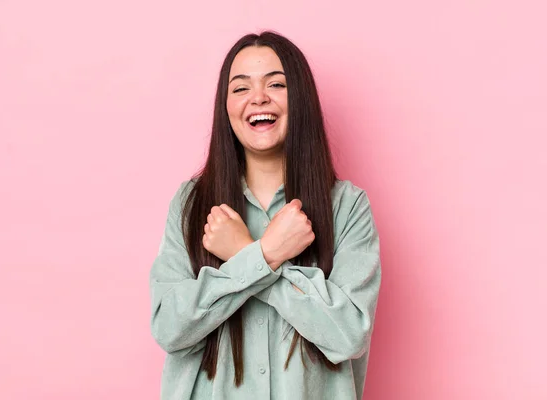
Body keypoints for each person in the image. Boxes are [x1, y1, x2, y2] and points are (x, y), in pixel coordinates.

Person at [150, 30, 381, 400]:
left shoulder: (347, 207)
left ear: (300, 98)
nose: (258, 97)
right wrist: (267, 253)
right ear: (225, 108)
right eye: (240, 88)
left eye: (276, 84)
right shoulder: (191, 204)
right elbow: (170, 328)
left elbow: (349, 334)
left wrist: (245, 254)